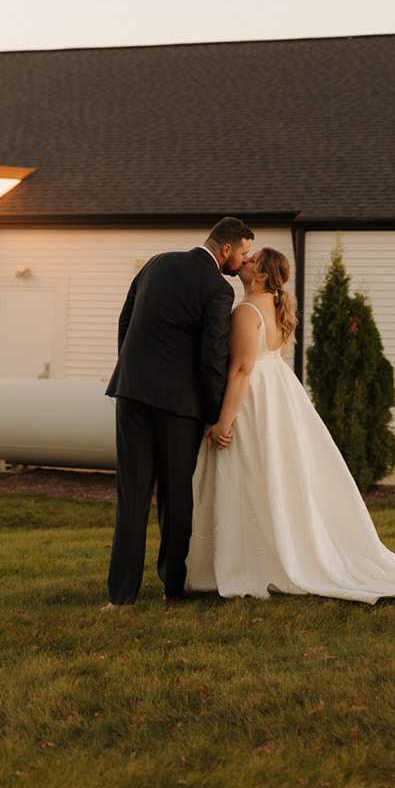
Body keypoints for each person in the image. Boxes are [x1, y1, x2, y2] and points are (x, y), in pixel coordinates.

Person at [186, 248, 395, 604]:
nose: (244, 261)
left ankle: (248, 560)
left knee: (250, 475)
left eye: (251, 259)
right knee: (271, 475)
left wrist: (223, 422)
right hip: (278, 395)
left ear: (260, 275)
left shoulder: (246, 311)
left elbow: (242, 371)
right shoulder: (274, 305)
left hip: (255, 399)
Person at [104, 216, 254, 606]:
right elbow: (212, 359)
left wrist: (132, 371)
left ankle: (121, 596)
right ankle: (173, 589)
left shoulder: (156, 262)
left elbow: (125, 319)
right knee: (175, 497)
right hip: (180, 407)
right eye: (243, 254)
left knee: (131, 496)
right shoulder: (218, 290)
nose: (243, 262)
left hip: (131, 394)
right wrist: (213, 414)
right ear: (226, 251)